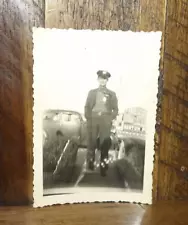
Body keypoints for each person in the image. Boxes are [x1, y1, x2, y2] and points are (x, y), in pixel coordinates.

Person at [84, 70, 119, 176]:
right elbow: (87, 106)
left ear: (107, 80)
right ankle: (90, 163)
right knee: (92, 142)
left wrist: (110, 118)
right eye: (100, 79)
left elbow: (116, 109)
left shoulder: (112, 94)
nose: (102, 81)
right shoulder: (92, 92)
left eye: (104, 79)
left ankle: (103, 167)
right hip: (93, 118)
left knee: (104, 144)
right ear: (98, 80)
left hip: (105, 120)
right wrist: (88, 117)